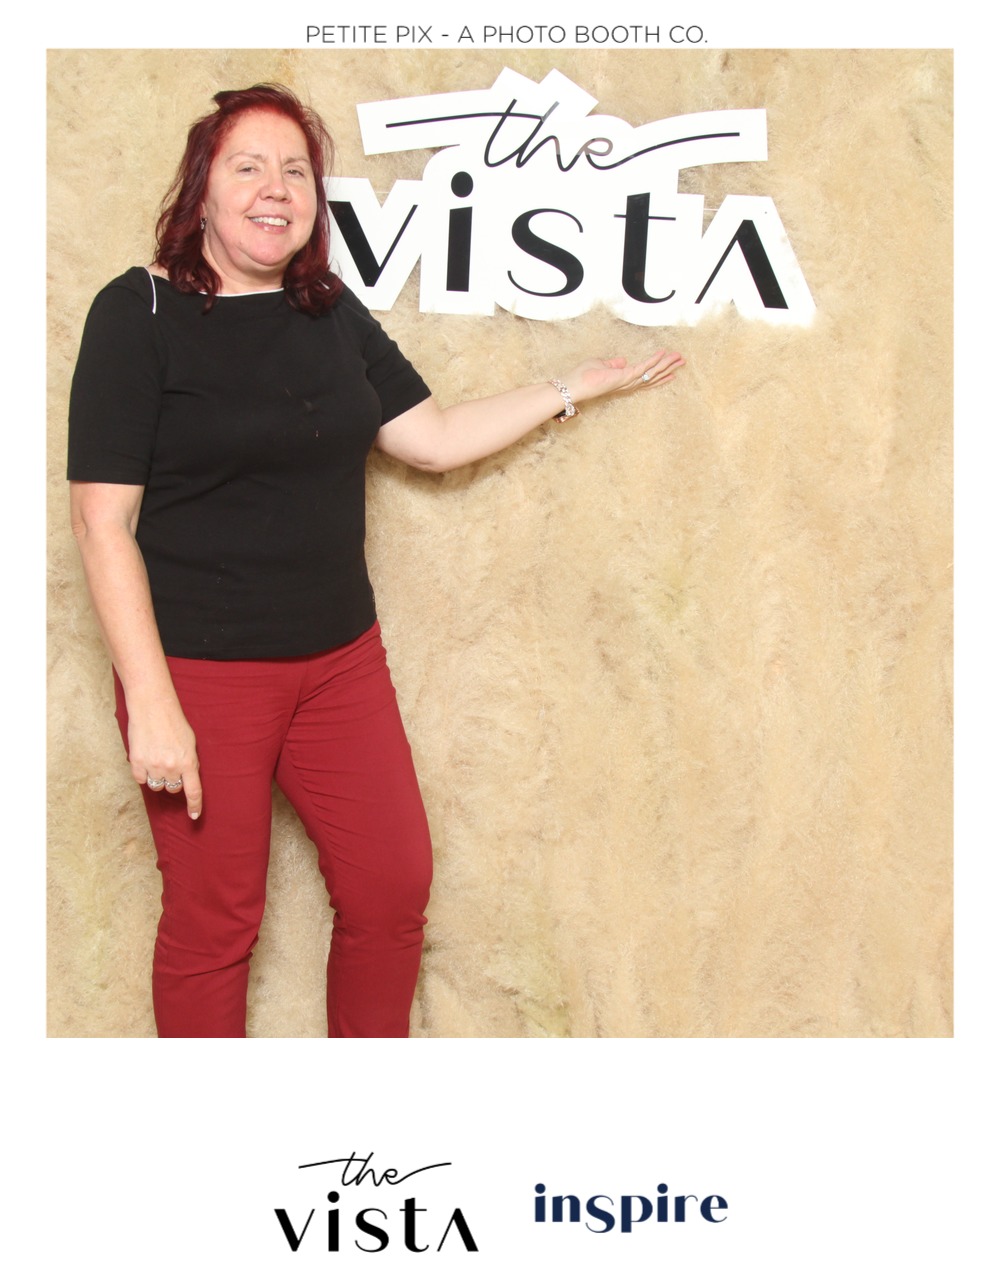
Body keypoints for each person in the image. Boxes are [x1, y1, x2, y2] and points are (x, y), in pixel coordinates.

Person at [67, 83, 685, 1039]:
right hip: (200, 674)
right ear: (202, 189)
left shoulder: (326, 310)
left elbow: (431, 439)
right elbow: (101, 522)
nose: (275, 188)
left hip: (338, 665)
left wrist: (571, 385)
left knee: (392, 889)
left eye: (296, 171)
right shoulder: (136, 312)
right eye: (247, 166)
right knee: (216, 921)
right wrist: (151, 702)